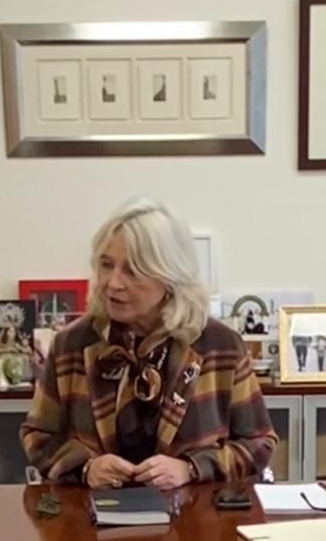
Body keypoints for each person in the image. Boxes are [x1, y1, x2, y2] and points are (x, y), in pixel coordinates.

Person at [21, 197, 277, 490]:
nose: (113, 283)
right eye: (106, 265)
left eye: (132, 271)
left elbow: (259, 443)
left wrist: (191, 469)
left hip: (194, 523)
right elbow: (38, 435)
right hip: (90, 520)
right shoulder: (72, 344)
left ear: (170, 278)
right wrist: (86, 467)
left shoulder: (219, 345)